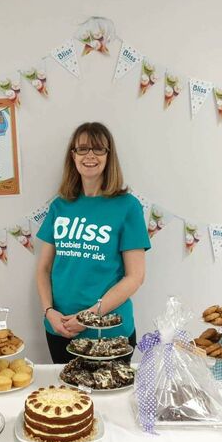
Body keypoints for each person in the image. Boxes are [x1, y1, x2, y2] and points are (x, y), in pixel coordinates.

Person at [36, 122, 150, 364]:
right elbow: (44, 268)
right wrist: (49, 311)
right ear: (73, 155)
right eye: (83, 148)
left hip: (108, 332)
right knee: (63, 390)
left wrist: (88, 317)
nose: (90, 155)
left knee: (112, 391)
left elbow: (135, 277)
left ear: (109, 156)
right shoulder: (59, 206)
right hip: (60, 328)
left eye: (98, 149)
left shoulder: (128, 206)